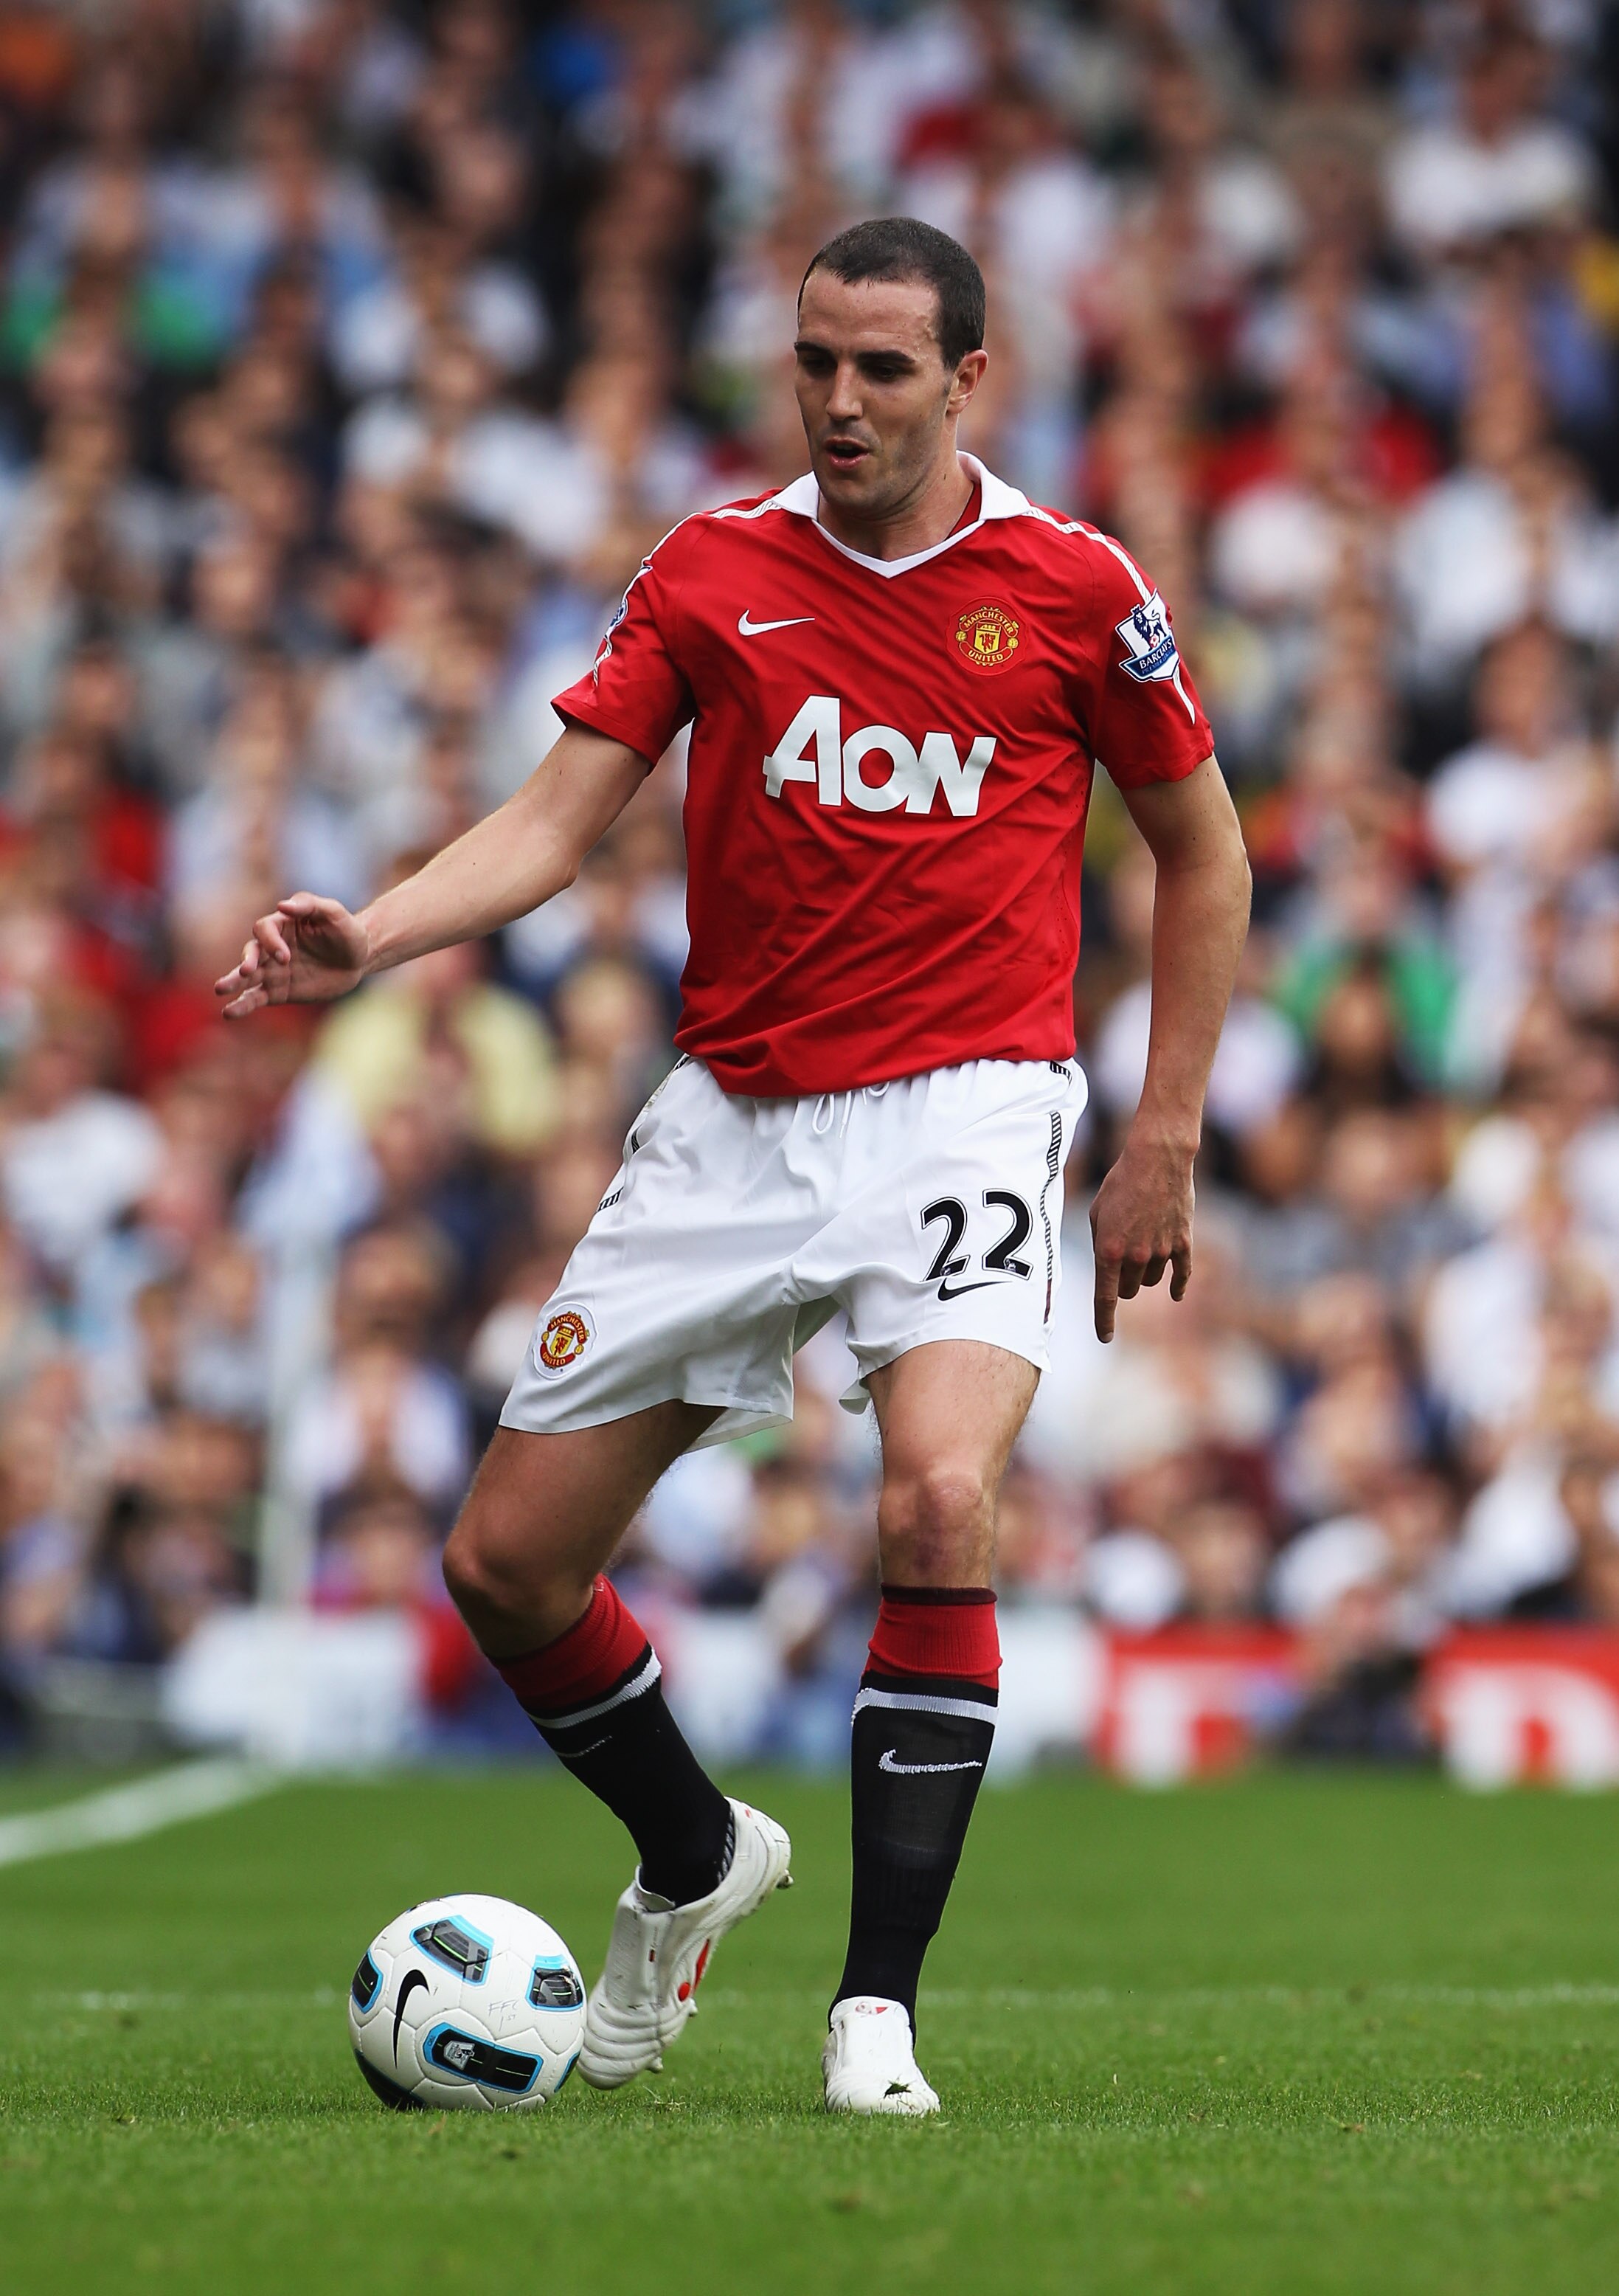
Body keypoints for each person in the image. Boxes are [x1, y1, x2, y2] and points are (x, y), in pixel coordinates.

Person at [216, 218, 1250, 2116]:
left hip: (970, 1106)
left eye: (882, 369)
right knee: (507, 1568)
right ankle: (695, 1857)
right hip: (731, 1121)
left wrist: (1162, 1127)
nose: (842, 400)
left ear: (967, 381)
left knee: (938, 1502)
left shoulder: (1075, 589)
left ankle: (877, 2013)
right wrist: (374, 930)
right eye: (816, 364)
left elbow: (1207, 848)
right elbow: (553, 819)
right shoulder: (714, 570)